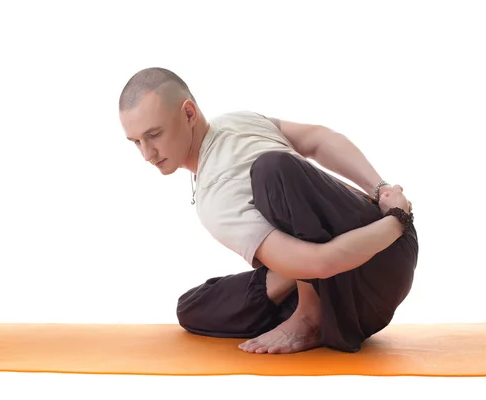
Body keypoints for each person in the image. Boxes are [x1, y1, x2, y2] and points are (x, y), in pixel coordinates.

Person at [118, 67, 418, 354]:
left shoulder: (219, 189)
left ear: (188, 113)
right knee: (191, 307)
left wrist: (391, 209)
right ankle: (291, 279)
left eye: (154, 135)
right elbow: (319, 140)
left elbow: (321, 262)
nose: (146, 154)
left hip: (376, 260)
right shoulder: (233, 124)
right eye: (136, 142)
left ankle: (310, 318)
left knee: (272, 169)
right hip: (356, 256)